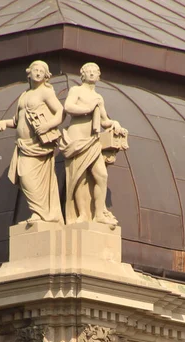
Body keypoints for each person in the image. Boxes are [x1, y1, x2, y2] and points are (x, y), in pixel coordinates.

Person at [0, 60, 64, 224]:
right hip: (24, 145)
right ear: (29, 73)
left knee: (27, 176)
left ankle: (41, 213)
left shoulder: (46, 92)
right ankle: (40, 213)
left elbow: (61, 112)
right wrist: (5, 123)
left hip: (38, 145)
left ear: (46, 75)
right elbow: (18, 120)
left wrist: (47, 125)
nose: (38, 72)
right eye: (35, 70)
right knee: (25, 176)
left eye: (41, 70)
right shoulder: (24, 95)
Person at [60, 62, 127, 225]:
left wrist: (114, 123)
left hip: (93, 140)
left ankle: (99, 214)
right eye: (88, 71)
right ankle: (82, 214)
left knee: (102, 176)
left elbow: (104, 120)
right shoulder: (77, 90)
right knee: (80, 178)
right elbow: (68, 106)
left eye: (94, 71)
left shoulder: (98, 97)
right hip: (77, 138)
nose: (91, 73)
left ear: (98, 76)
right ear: (82, 74)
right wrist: (88, 108)